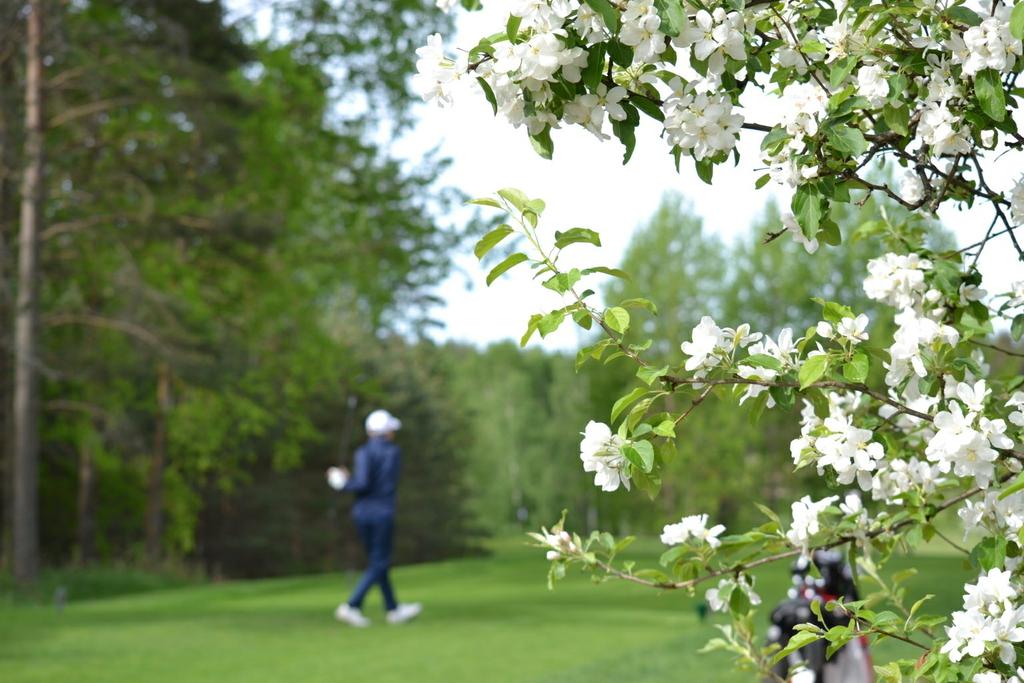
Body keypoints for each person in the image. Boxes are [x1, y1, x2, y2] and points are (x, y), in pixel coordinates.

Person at [326, 408, 422, 627]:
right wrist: (348, 481)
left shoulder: (363, 452)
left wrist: (341, 482)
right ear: (385, 431)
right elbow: (369, 483)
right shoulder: (394, 452)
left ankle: (393, 609)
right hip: (382, 513)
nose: (393, 433)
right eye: (391, 429)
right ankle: (352, 605)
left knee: (378, 562)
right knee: (379, 562)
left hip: (361, 514)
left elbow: (361, 484)